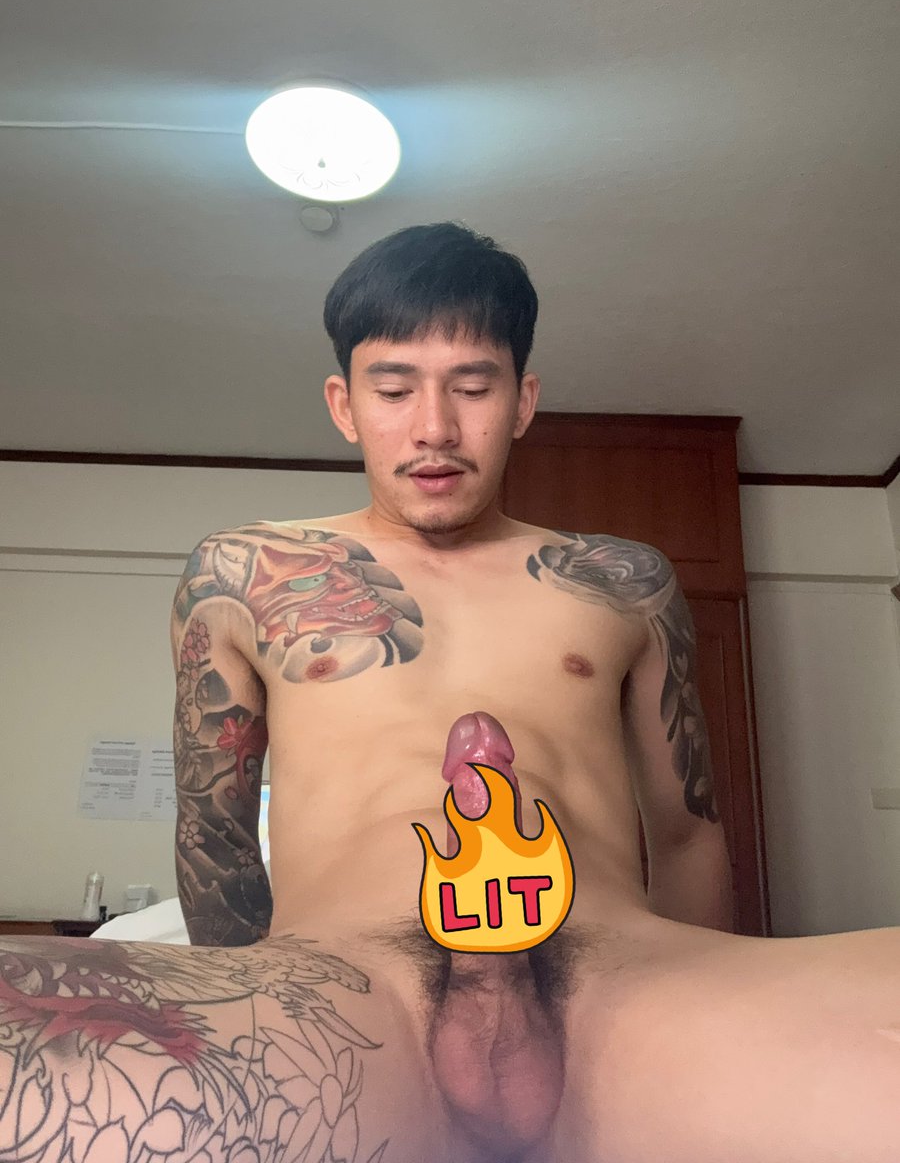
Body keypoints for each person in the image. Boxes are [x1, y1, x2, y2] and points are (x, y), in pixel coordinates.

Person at [3, 224, 900, 1163]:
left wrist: (697, 1003)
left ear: (522, 401)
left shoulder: (626, 583)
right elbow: (213, 837)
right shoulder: (243, 574)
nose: (434, 426)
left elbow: (686, 832)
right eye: (394, 390)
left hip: (619, 989)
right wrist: (248, 1009)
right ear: (345, 405)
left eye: (473, 387)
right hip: (348, 1001)